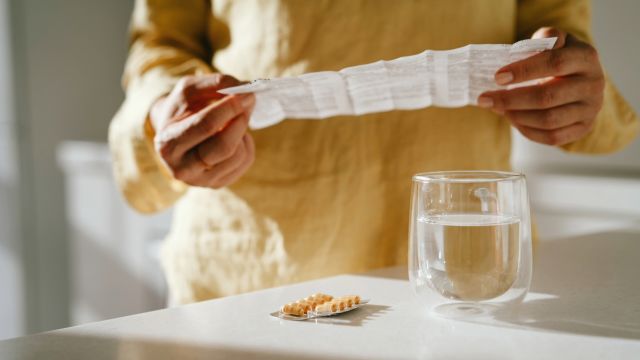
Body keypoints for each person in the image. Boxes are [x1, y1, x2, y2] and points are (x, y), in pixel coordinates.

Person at [110, 0, 638, 305]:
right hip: (255, 280)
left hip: (466, 280)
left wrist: (576, 92)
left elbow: (567, 52)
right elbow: (159, 46)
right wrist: (165, 113)